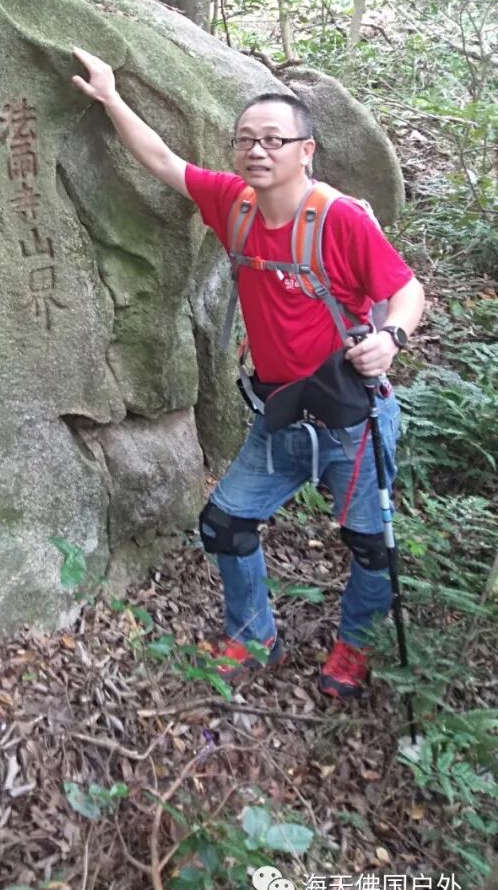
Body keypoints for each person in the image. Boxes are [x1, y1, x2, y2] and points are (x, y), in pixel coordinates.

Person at [71, 47, 425, 698]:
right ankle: (254, 635)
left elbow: (407, 291)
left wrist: (390, 338)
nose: (257, 151)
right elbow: (164, 163)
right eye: (245, 140)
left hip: (351, 415)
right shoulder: (234, 204)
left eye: (273, 140)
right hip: (280, 412)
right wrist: (111, 97)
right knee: (225, 524)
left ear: (306, 150)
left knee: (370, 545)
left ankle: (355, 645)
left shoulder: (339, 219)